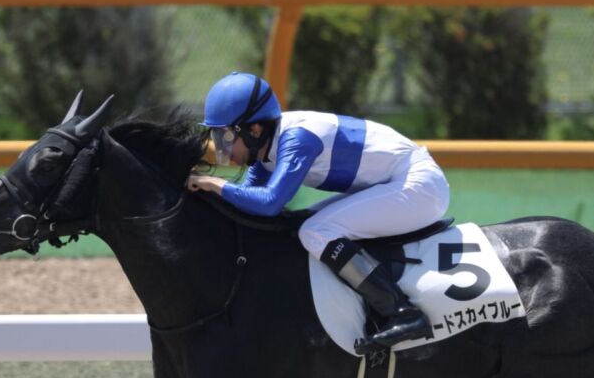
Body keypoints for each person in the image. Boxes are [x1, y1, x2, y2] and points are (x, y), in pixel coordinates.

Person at [186, 72, 449, 349]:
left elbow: (269, 203)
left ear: (255, 130)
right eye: (218, 136)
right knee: (301, 224)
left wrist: (214, 183)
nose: (223, 148)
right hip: (396, 182)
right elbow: (249, 207)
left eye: (227, 136)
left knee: (315, 230)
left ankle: (402, 313)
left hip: (419, 186)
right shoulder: (266, 149)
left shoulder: (297, 138)